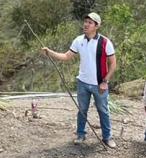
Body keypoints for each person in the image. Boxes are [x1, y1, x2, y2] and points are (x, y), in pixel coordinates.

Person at [41, 13, 118, 148]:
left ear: (97, 26)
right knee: (82, 109)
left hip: (99, 83)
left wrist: (105, 81)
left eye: (90, 22)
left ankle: (107, 137)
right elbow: (66, 56)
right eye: (85, 22)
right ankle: (80, 134)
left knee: (103, 110)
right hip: (82, 82)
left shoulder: (105, 42)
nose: (86, 24)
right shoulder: (78, 40)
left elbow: (113, 63)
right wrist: (50, 52)